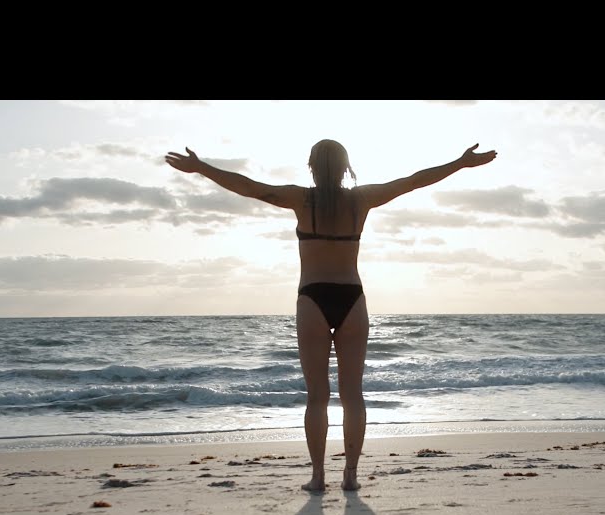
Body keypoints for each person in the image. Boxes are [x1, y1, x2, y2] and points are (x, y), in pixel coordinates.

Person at [165, 139, 497, 492]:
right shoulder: (361, 200)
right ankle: (351, 475)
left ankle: (318, 476)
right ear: (345, 167)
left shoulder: (300, 199)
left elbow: (250, 188)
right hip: (352, 298)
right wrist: (459, 163)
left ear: (311, 166)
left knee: (317, 396)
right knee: (353, 395)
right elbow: (414, 180)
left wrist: (202, 168)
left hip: (313, 299)